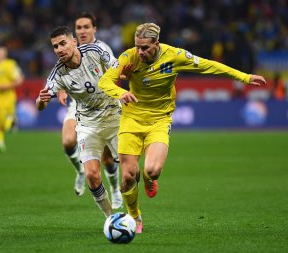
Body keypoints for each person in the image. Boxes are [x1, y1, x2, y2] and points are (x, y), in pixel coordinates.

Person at [98, 22, 267, 233]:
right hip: (131, 119)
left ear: (156, 44)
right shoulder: (128, 57)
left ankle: (150, 180)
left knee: (152, 170)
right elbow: (105, 82)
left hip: (160, 120)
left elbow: (209, 65)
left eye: (145, 48)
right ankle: (134, 217)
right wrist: (120, 92)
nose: (139, 52)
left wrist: (244, 77)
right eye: (137, 46)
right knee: (128, 176)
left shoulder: (175, 56)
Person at [36, 26, 121, 218]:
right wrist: (41, 101)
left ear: (74, 42)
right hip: (87, 120)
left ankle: (121, 195)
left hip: (113, 113)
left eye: (62, 43)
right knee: (91, 172)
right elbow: (40, 104)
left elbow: (118, 68)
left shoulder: (96, 50)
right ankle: (110, 218)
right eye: (55, 46)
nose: (59, 49)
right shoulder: (57, 72)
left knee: (129, 170)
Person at [59, 12, 122, 210]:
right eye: (79, 27)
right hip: (79, 106)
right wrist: (61, 90)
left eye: (87, 27)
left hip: (104, 107)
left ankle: (115, 189)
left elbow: (114, 73)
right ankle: (80, 171)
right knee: (68, 141)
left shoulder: (102, 49)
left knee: (107, 160)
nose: (83, 30)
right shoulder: (69, 48)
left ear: (94, 29)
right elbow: (62, 72)